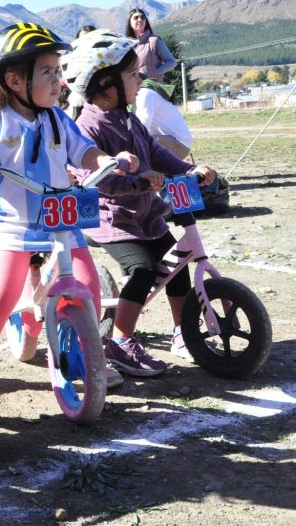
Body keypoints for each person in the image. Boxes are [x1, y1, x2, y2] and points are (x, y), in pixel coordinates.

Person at [0, 24, 139, 394]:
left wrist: (106, 159)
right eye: (47, 72)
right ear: (15, 80)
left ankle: (89, 353)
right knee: (3, 293)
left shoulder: (57, 118)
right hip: (14, 222)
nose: (58, 81)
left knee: (88, 284)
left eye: (58, 71)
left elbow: (83, 150)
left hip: (60, 218)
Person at [61, 30, 216, 370]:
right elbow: (94, 181)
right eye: (132, 74)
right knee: (143, 270)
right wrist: (136, 181)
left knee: (177, 265)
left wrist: (189, 169)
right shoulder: (87, 127)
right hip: (112, 220)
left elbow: (156, 152)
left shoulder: (129, 118)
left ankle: (183, 332)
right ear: (105, 85)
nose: (140, 79)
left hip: (146, 215)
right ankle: (120, 342)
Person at [135, 77, 193, 159]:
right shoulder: (146, 93)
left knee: (136, 143)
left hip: (178, 144)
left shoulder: (145, 93)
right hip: (175, 141)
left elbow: (143, 125)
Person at [125, 8, 177, 81]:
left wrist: (154, 73)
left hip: (152, 86)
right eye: (136, 18)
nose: (140, 19)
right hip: (132, 86)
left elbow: (172, 62)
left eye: (142, 17)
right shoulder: (126, 45)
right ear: (130, 22)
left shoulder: (154, 41)